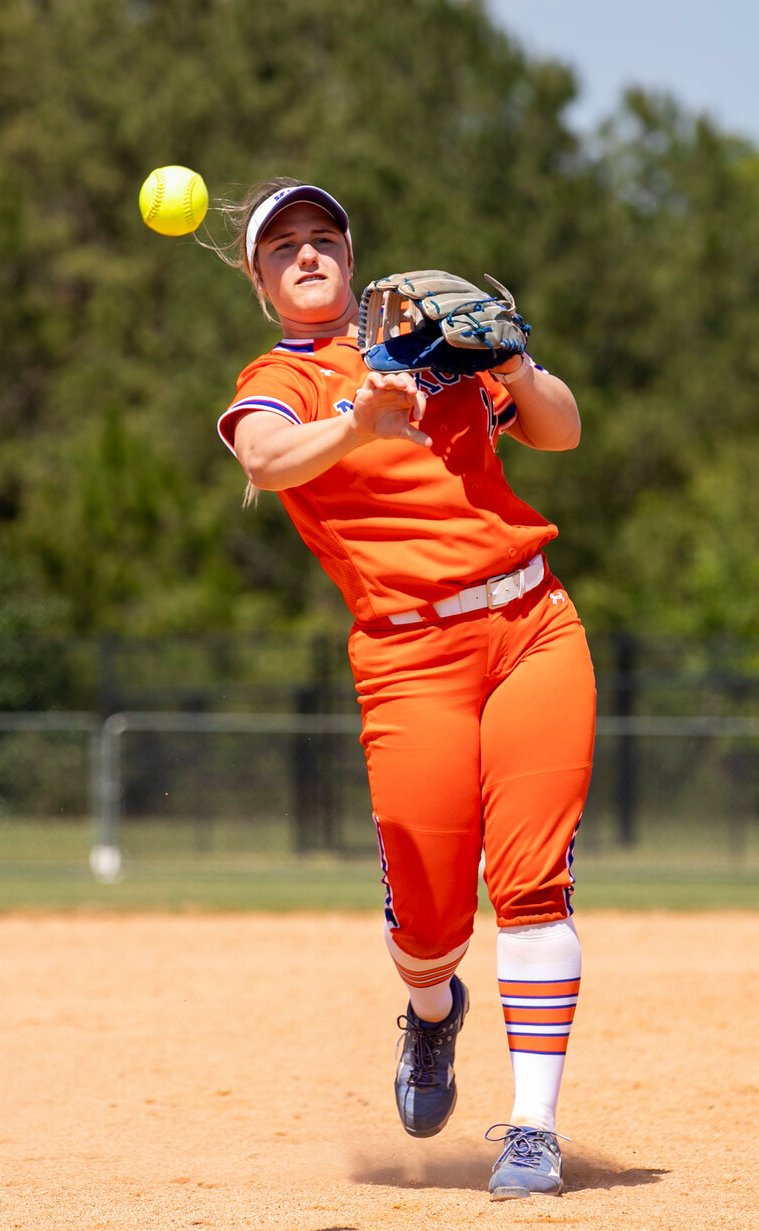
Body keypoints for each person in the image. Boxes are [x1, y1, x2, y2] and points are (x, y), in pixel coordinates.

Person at [211, 178, 596, 1201]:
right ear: (260, 282)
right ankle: (432, 1011)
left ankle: (532, 1129)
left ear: (348, 251)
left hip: (532, 627)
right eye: (282, 244)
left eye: (321, 235)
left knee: (530, 884)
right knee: (430, 923)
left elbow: (558, 431)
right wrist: (359, 421)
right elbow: (267, 455)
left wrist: (514, 359)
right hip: (407, 656)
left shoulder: (427, 330)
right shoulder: (277, 379)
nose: (305, 252)